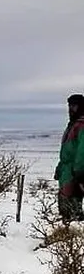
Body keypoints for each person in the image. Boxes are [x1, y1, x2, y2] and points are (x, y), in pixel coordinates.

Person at [54, 93, 84, 221]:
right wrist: (60, 167)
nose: (71, 109)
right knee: (65, 204)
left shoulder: (81, 126)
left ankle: (73, 237)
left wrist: (79, 173)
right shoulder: (72, 125)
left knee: (73, 207)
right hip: (67, 171)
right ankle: (67, 235)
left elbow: (82, 152)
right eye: (70, 106)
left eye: (74, 106)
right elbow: (67, 151)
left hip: (75, 172)